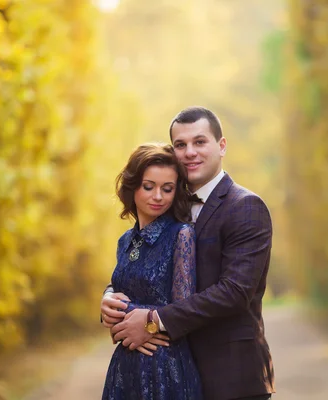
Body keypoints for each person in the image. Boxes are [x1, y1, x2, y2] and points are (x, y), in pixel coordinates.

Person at [101, 106, 275, 400]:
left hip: (230, 378)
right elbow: (145, 265)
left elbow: (234, 292)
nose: (190, 152)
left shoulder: (245, 206)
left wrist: (152, 320)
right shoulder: (167, 201)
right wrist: (110, 297)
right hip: (171, 373)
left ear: (221, 146)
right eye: (180, 145)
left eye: (199, 141)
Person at [101, 143, 203, 400]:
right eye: (149, 187)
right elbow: (121, 286)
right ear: (132, 187)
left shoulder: (181, 235)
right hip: (125, 365)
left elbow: (182, 307)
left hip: (164, 366)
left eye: (167, 189)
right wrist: (107, 299)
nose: (158, 196)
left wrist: (142, 321)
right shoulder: (125, 241)